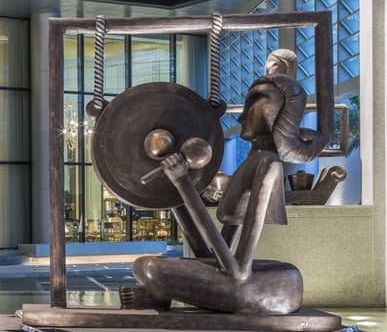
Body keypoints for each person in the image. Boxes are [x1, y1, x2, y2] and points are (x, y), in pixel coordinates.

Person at [123, 49, 324, 314]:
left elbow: (238, 271)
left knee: (151, 269)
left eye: (253, 104)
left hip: (251, 288)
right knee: (145, 267)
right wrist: (175, 194)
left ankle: (158, 293)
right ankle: (157, 294)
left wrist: (183, 183)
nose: (242, 116)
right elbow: (211, 256)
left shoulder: (268, 165)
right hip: (242, 280)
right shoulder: (254, 161)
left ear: (275, 113)